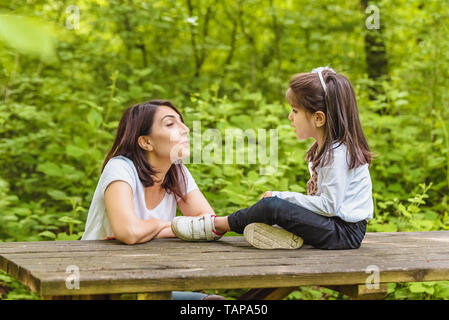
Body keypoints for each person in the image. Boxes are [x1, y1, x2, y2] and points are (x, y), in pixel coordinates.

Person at [171, 67, 374, 250]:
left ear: (318, 118)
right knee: (276, 207)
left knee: (273, 206)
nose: (290, 117)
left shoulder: (338, 154)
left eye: (295, 111)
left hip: (345, 233)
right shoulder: (326, 149)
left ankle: (217, 226)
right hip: (333, 225)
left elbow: (330, 206)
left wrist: (282, 197)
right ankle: (286, 235)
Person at [81, 99, 225, 300]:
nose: (185, 129)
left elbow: (208, 224)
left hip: (148, 281)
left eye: (181, 122)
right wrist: (173, 226)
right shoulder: (120, 168)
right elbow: (129, 232)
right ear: (146, 142)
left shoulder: (177, 171)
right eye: (170, 124)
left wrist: (152, 228)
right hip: (99, 283)